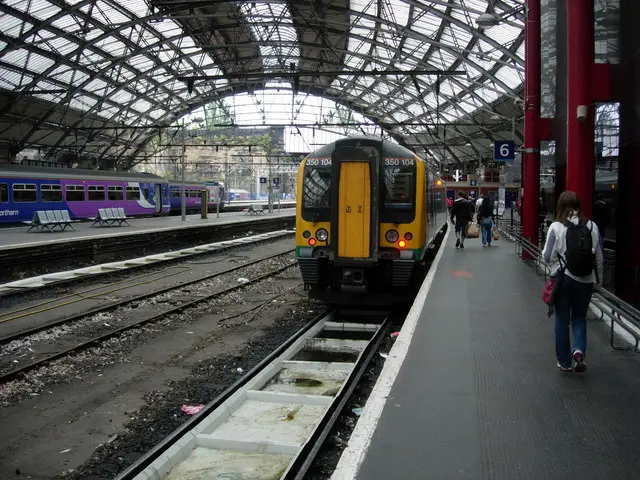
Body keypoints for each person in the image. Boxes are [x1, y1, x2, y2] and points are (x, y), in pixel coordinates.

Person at [542, 191, 603, 373]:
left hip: (563, 279)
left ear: (559, 206)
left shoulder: (556, 227)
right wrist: (597, 282)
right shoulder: (592, 227)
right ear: (578, 206)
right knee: (579, 318)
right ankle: (578, 351)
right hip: (585, 280)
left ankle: (564, 362)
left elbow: (547, 257)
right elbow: (599, 258)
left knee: (562, 320)